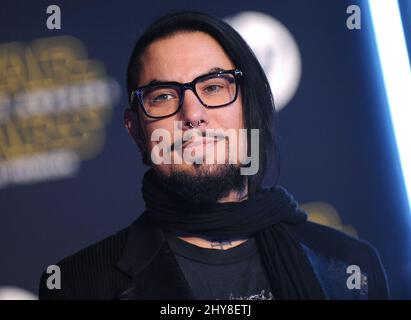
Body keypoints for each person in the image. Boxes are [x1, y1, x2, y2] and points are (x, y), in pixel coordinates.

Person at [39, 11, 389, 300]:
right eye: (163, 96)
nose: (192, 113)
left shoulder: (351, 268)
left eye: (214, 87)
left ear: (249, 108)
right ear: (135, 130)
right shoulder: (77, 287)